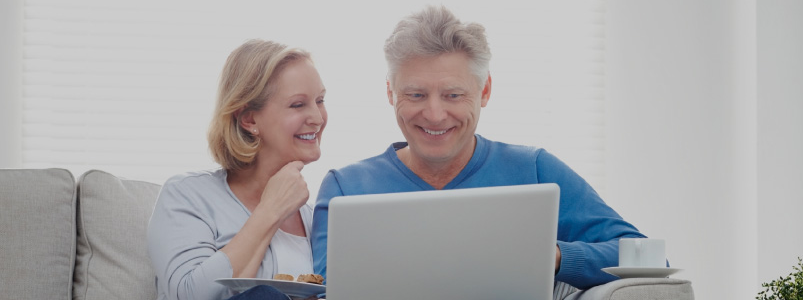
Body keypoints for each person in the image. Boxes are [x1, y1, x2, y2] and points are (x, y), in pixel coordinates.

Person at [310, 5, 647, 291]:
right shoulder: (346, 188)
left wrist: (553, 255)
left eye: (453, 95)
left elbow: (645, 255)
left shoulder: (534, 170)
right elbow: (324, 290)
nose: (435, 114)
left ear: (484, 90)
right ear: (390, 93)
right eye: (415, 95)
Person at [148, 39, 328, 300]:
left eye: (320, 100)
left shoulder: (315, 220)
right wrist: (271, 210)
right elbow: (187, 296)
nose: (318, 118)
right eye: (298, 105)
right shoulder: (188, 195)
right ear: (249, 119)